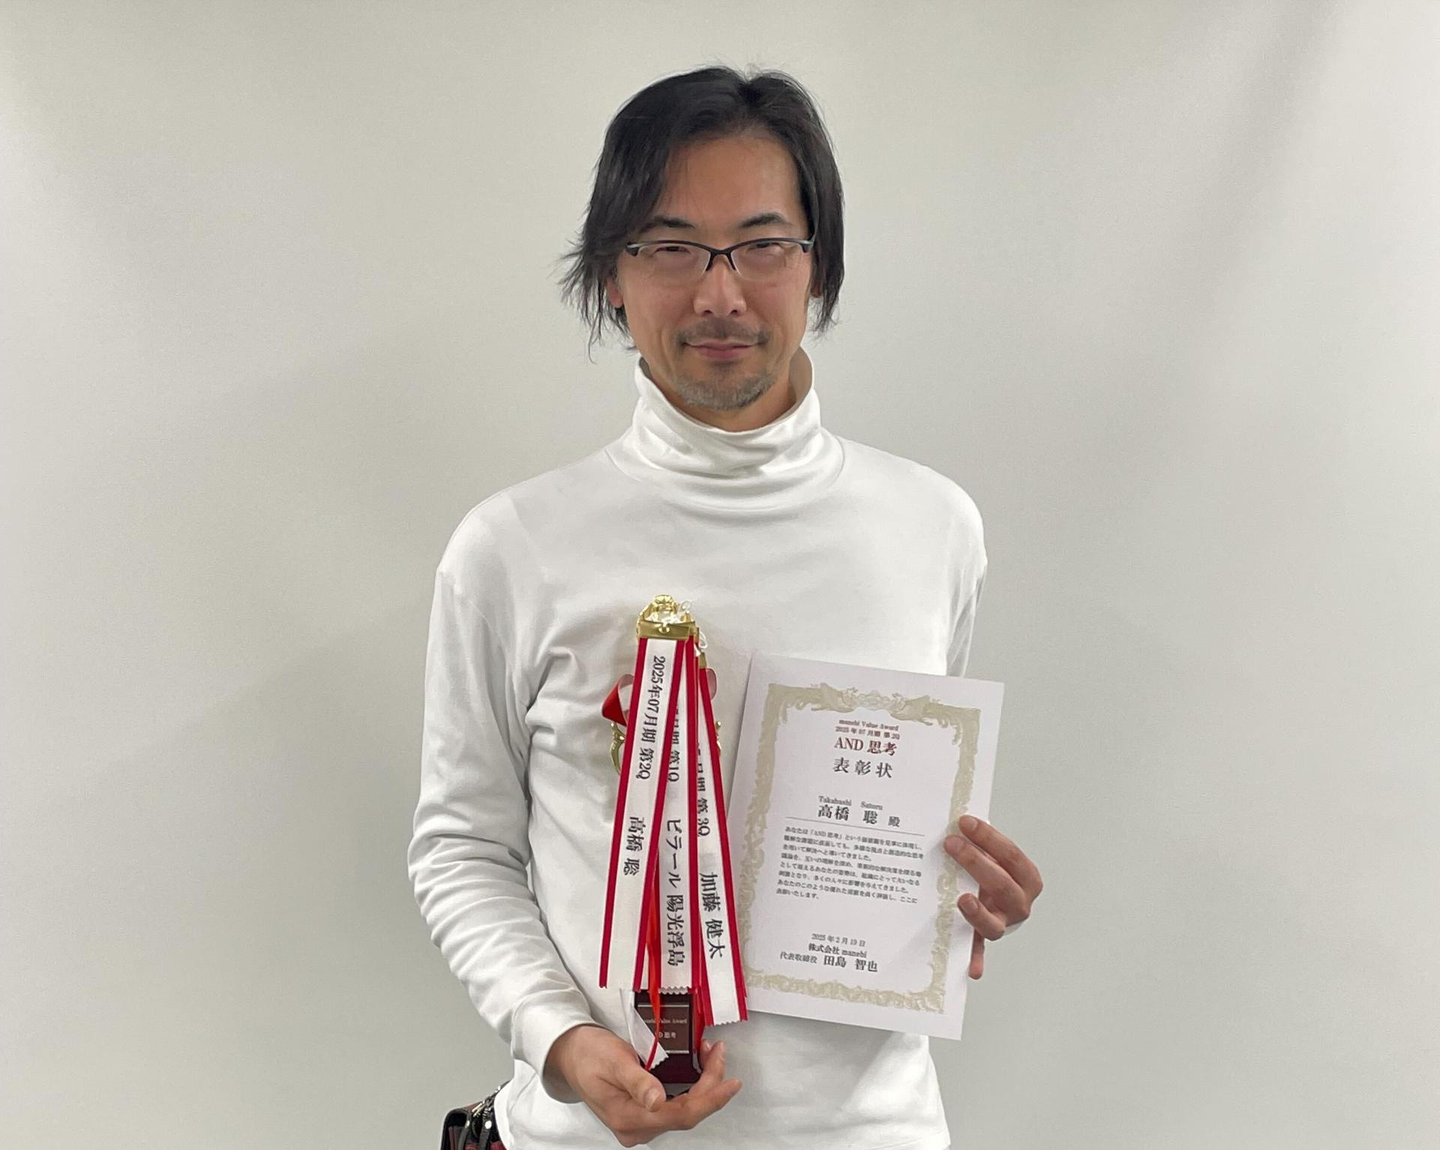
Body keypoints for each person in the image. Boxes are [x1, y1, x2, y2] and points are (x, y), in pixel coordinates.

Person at [408, 64, 1043, 1150]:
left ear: (817, 267)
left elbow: (907, 827)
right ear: (612, 275)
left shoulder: (934, 526)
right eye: (671, 248)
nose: (720, 295)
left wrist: (964, 900)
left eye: (763, 245)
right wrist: (561, 1040)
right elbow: (461, 849)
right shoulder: (512, 548)